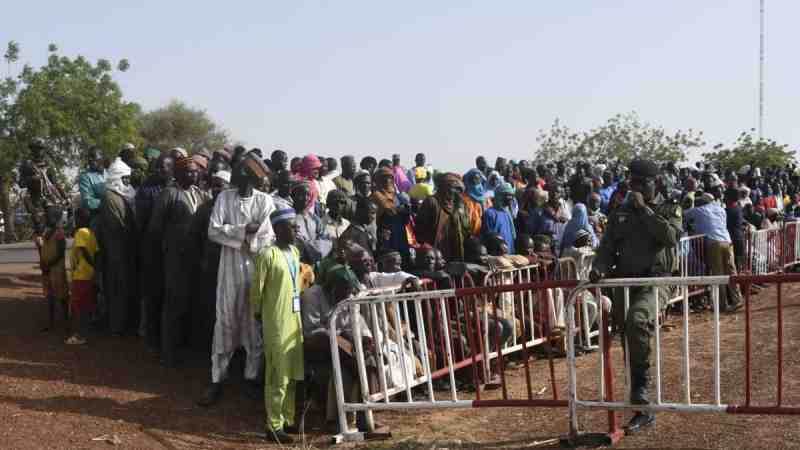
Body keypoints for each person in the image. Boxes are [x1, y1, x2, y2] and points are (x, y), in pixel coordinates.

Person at [589, 158, 682, 434]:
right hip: (625, 283)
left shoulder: (669, 207)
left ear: (655, 182)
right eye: (633, 182)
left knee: (638, 320)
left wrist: (644, 210)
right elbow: (606, 248)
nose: (636, 187)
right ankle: (642, 408)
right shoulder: (620, 211)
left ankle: (641, 389)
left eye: (641, 182)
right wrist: (598, 267)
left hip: (656, 281)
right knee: (629, 338)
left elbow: (670, 237)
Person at [199, 154, 275, 405]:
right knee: (225, 320)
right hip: (229, 268)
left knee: (254, 323)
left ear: (252, 177)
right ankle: (216, 379)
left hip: (255, 268)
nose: (237, 174)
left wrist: (239, 232)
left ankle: (251, 377)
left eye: (243, 171)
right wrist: (244, 230)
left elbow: (267, 235)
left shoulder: (265, 201)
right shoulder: (224, 198)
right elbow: (213, 230)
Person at [149, 156, 212, 367]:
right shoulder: (169, 193)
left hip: (195, 258)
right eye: (188, 171)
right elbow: (155, 227)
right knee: (173, 304)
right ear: (177, 173)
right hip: (175, 258)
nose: (193, 174)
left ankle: (186, 348)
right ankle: (168, 352)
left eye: (195, 171)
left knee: (190, 303)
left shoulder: (199, 194)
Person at [250, 208, 305, 443]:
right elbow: (256, 290)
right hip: (276, 322)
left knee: (293, 373)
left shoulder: (294, 251)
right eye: (292, 226)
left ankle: (288, 420)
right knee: (278, 375)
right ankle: (273, 426)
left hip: (295, 321)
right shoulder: (267, 255)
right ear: (279, 229)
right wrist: (259, 316)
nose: (297, 229)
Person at [189, 170, 230, 351]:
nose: (216, 189)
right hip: (209, 266)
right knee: (208, 307)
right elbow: (194, 238)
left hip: (229, 268)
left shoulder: (234, 211)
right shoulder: (204, 210)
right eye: (214, 185)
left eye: (220, 185)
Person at [135, 153, 174, 348]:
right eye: (157, 167)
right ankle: (150, 334)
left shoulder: (177, 187)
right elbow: (140, 221)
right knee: (152, 292)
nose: (159, 170)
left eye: (164, 167)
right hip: (152, 247)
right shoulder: (147, 189)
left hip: (172, 249)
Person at [97, 158, 138, 336]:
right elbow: (117, 226)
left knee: (125, 288)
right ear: (116, 179)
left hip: (125, 250)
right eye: (125, 179)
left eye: (129, 179)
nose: (128, 182)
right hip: (115, 252)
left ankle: (123, 324)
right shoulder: (110, 197)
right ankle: (116, 327)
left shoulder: (125, 196)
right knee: (116, 289)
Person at [685, 193, 743, 311]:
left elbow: (684, 214)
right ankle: (737, 299)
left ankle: (722, 304)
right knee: (732, 271)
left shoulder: (698, 210)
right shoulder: (721, 209)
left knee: (718, 274)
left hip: (714, 243)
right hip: (727, 241)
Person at [416, 173, 471, 261]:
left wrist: (460, 211)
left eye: (459, 190)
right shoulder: (432, 202)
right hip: (435, 253)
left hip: (455, 252)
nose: (457, 193)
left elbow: (466, 229)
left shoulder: (460, 205)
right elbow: (420, 229)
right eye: (454, 189)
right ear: (444, 187)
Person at [67, 208, 98, 345]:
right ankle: (85, 332)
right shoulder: (91, 233)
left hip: (80, 274)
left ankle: (79, 335)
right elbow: (96, 253)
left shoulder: (80, 232)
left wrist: (89, 263)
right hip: (89, 274)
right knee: (86, 305)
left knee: (78, 306)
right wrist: (94, 267)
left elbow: (83, 249)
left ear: (80, 219)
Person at [40, 206, 68, 332]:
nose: (46, 218)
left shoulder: (59, 233)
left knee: (62, 296)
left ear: (55, 218)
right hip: (47, 269)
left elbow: (61, 252)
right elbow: (43, 249)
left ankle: (66, 321)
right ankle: (51, 322)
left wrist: (49, 264)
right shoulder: (46, 232)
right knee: (50, 296)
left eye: (48, 216)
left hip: (56, 269)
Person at [481, 182, 516, 252]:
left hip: (510, 252)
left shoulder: (507, 213)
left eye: (512, 195)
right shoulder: (490, 213)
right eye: (508, 195)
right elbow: (490, 238)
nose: (511, 198)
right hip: (497, 255)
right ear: (500, 196)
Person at [77, 147, 106, 222]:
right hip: (97, 216)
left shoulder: (110, 173)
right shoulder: (85, 176)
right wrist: (108, 204)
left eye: (93, 156)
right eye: (88, 157)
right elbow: (88, 201)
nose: (90, 159)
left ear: (101, 158)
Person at [462, 168, 489, 237]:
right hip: (469, 236)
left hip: (484, 235)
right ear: (468, 180)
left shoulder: (485, 198)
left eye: (478, 178)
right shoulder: (463, 199)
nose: (475, 181)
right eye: (473, 179)